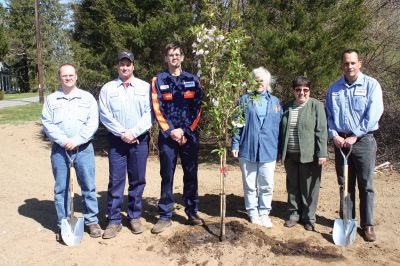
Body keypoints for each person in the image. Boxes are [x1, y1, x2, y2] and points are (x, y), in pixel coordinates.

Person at [325, 49, 384, 242]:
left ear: (360, 63)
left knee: (366, 184)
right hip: (340, 143)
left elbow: (374, 114)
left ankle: (367, 225)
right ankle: (347, 220)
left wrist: (355, 136)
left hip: (363, 142)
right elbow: (329, 117)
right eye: (345, 63)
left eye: (352, 63)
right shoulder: (334, 89)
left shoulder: (371, 85)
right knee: (345, 185)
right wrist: (334, 135)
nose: (349, 66)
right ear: (341, 65)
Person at [42, 63, 101, 241]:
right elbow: (47, 123)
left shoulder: (87, 98)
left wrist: (77, 140)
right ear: (59, 78)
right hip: (60, 150)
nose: (68, 78)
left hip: (83, 149)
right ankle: (63, 222)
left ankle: (91, 220)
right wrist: (63, 141)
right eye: (64, 75)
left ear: (76, 76)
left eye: (71, 75)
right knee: (61, 188)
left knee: (88, 186)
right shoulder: (52, 99)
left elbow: (93, 123)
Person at [99, 50, 152, 239]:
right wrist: (123, 133)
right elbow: (104, 114)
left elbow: (150, 113)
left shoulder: (145, 87)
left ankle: (134, 217)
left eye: (128, 64)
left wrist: (134, 132)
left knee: (137, 180)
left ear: (133, 66)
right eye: (122, 64)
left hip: (139, 140)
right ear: (117, 66)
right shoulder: (108, 89)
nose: (125, 67)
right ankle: (113, 220)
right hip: (117, 141)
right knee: (116, 180)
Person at [151, 43, 202, 234]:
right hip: (168, 136)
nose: (174, 57)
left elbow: (197, 108)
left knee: (191, 174)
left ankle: (192, 211)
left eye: (177, 54)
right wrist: (172, 131)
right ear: (166, 58)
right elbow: (157, 108)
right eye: (170, 55)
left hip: (190, 136)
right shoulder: (158, 80)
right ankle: (165, 215)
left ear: (182, 58)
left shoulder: (193, 79)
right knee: (167, 175)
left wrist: (186, 131)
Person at [231, 67, 283, 228]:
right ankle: (252, 212)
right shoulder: (244, 100)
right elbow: (236, 124)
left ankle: (264, 212)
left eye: (262, 79)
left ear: (268, 82)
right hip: (248, 148)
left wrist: (280, 148)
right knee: (250, 184)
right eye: (256, 79)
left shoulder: (275, 102)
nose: (259, 82)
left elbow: (280, 126)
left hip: (269, 149)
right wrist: (235, 143)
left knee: (267, 184)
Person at [280, 76, 328, 231]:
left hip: (310, 155)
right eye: (298, 90)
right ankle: (294, 214)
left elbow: (321, 131)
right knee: (293, 185)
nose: (302, 93)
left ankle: (309, 217)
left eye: (305, 90)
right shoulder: (287, 107)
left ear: (309, 90)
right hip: (291, 155)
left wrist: (322, 153)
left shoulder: (316, 106)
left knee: (309, 188)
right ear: (294, 91)